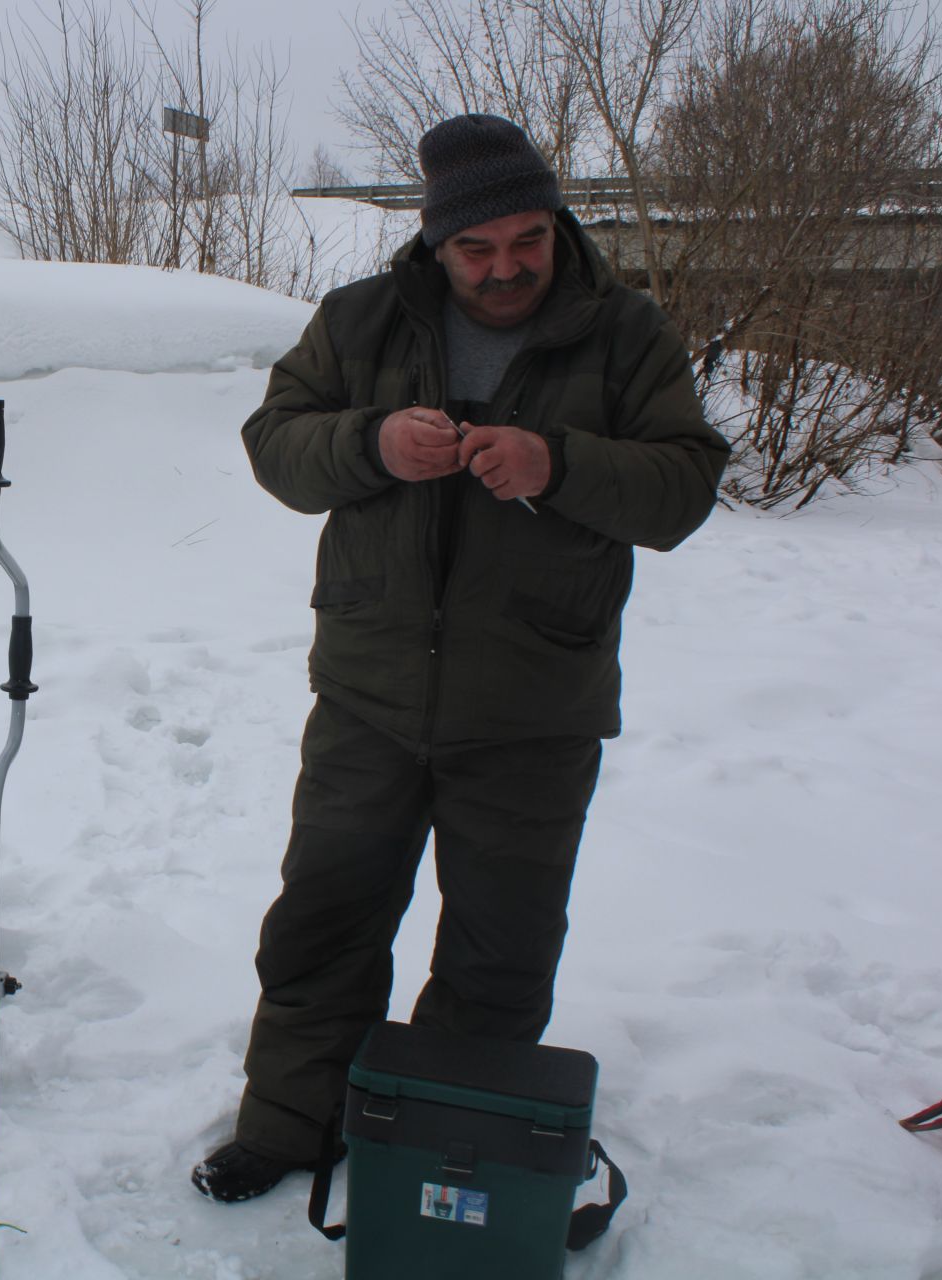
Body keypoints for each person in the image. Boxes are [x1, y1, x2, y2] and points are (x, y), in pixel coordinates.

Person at [191, 114, 731, 1202]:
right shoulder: (361, 320)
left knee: (499, 953)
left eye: (525, 239)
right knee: (323, 919)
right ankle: (290, 1120)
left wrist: (558, 460)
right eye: (475, 249)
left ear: (554, 222)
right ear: (436, 244)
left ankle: (439, 1144)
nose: (504, 268)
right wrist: (371, 443)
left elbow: (683, 487)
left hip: (536, 705)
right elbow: (276, 443)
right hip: (369, 695)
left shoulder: (624, 333)